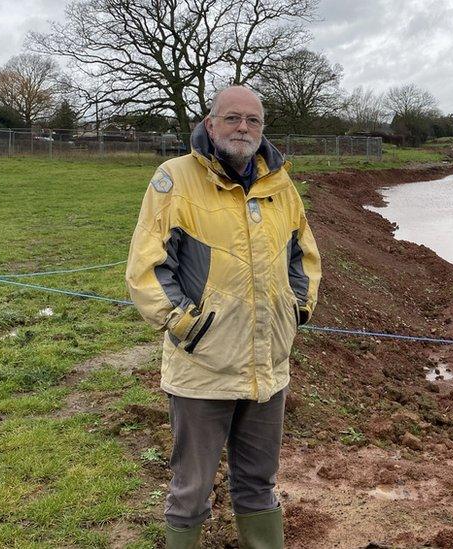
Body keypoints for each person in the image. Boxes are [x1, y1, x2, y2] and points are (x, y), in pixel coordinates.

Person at [125, 86, 321, 548]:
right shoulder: (173, 180)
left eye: (253, 121)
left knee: (258, 486)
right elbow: (147, 267)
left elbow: (304, 257)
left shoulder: (281, 185)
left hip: (267, 367)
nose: (243, 128)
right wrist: (187, 327)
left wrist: (297, 310)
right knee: (190, 492)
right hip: (203, 369)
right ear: (210, 124)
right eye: (232, 118)